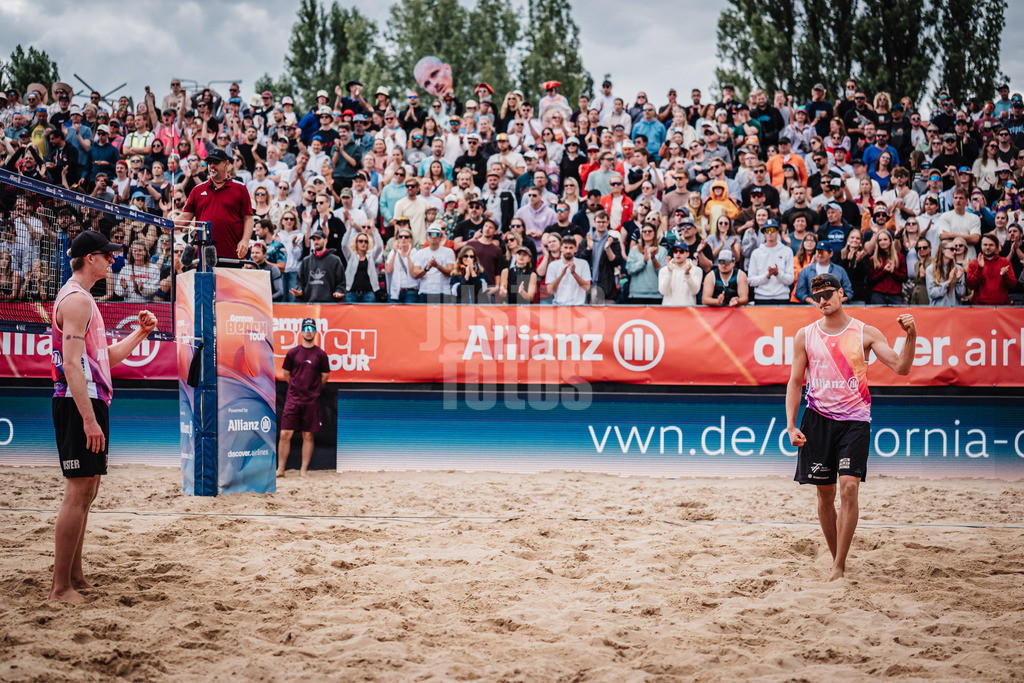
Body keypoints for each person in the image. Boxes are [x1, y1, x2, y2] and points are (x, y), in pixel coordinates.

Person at [49, 230, 158, 603]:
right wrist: (88, 419)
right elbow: (70, 364)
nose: (113, 261)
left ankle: (75, 577)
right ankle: (59, 587)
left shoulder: (85, 300)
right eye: (107, 255)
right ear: (90, 258)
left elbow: (102, 360)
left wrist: (140, 334)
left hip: (93, 399)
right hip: (80, 402)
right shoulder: (77, 300)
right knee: (77, 491)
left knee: (89, 491)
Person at [786, 273, 916, 581]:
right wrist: (791, 426)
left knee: (849, 488)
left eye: (828, 293)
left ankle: (839, 566)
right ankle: (836, 559)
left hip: (855, 421)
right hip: (817, 420)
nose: (823, 300)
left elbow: (902, 366)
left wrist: (911, 335)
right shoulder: (805, 335)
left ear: (842, 293)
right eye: (817, 296)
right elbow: (795, 382)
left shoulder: (864, 332)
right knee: (824, 495)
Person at [277, 318, 330, 478]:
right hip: (293, 400)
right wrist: (297, 387)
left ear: (315, 332)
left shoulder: (321, 355)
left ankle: (303, 470)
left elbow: (325, 376)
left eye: (311, 328)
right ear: (301, 332)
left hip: (311, 401)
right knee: (285, 433)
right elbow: (286, 374)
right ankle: (280, 469)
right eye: (305, 328)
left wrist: (312, 389)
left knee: (308, 435)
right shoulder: (293, 353)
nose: (308, 331)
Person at [178, 148, 253, 260]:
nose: (212, 166)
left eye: (216, 162)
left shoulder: (240, 188)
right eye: (210, 163)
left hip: (233, 253)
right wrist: (169, 224)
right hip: (204, 256)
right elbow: (185, 217)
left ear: (226, 164)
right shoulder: (197, 190)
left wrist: (245, 240)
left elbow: (248, 218)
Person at [747, 219, 795, 304]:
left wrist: (778, 274)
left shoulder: (787, 251)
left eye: (772, 230)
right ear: (764, 233)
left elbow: (790, 279)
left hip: (782, 297)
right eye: (767, 230)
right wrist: (767, 276)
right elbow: (751, 281)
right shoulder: (756, 253)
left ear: (777, 232)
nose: (770, 233)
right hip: (761, 297)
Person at [966, 233, 1016, 305]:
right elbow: (971, 285)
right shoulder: (974, 263)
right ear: (981, 246)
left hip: (1002, 306)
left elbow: (1012, 285)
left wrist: (1005, 276)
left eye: (991, 245)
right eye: (985, 245)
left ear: (996, 247)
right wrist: (979, 269)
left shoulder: (1005, 262)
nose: (987, 247)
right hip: (980, 306)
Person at [545, 237, 591, 305]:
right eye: (565, 247)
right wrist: (561, 275)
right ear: (561, 248)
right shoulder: (553, 265)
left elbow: (587, 287)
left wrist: (574, 273)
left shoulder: (583, 264)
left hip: (578, 305)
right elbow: (550, 290)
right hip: (559, 305)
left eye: (571, 248)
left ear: (576, 249)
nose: (568, 251)